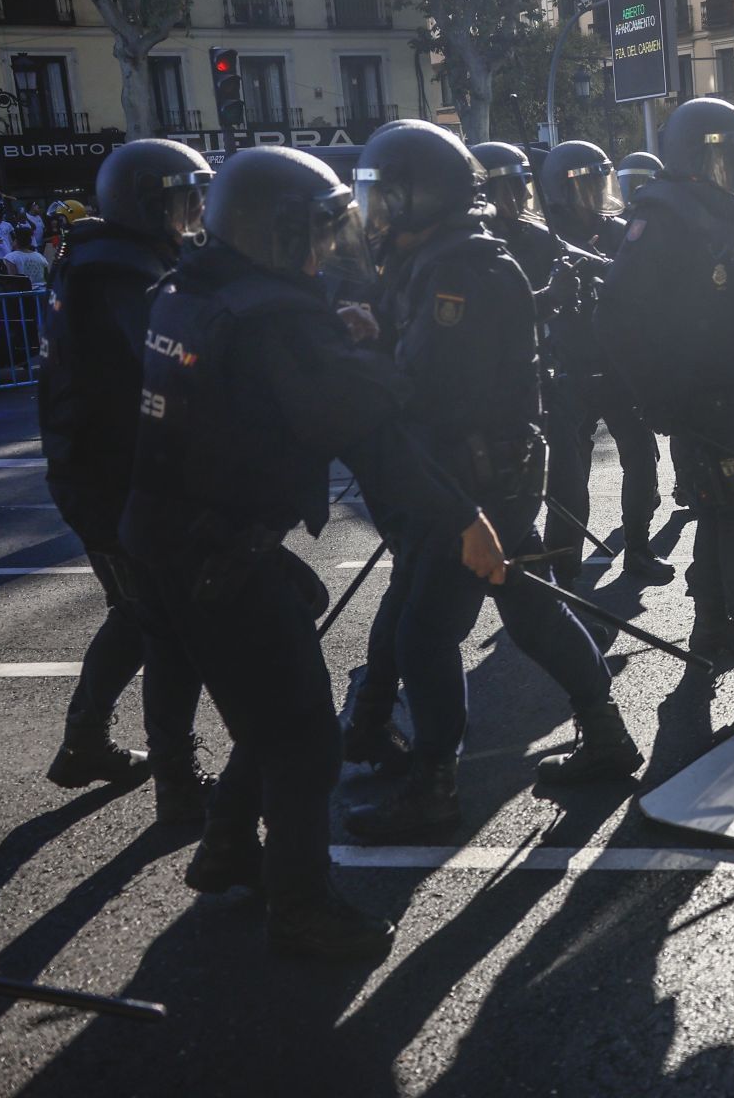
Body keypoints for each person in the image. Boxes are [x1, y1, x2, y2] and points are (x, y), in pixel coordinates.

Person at [119, 145, 509, 961]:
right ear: (277, 230)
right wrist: (465, 518)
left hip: (160, 541)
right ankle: (300, 907)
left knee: (272, 712)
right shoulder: (276, 318)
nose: (330, 247)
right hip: (217, 555)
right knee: (304, 738)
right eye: (318, 231)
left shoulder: (195, 285)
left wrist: (333, 336)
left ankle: (229, 849)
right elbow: (373, 437)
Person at [339, 121, 650, 843]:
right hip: (485, 473)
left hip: (471, 481)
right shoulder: (442, 260)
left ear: (418, 198)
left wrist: (365, 359)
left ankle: (434, 789)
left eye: (382, 198)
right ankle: (607, 736)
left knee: (424, 636)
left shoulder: (460, 272)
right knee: (531, 610)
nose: (374, 215)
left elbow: (428, 389)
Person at [599, 98, 734, 695]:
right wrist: (656, 399)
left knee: (722, 512)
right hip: (695, 399)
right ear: (703, 155)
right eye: (730, 151)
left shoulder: (733, 214)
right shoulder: (662, 217)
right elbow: (616, 316)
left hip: (733, 390)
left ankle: (710, 629)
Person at [37, 139, 217, 824]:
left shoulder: (107, 256)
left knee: (138, 614)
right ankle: (176, 780)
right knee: (169, 624)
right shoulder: (120, 270)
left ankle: (84, 743)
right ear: (147, 202)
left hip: (97, 470)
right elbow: (174, 358)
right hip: (109, 478)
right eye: (184, 196)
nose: (197, 207)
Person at [534, 140, 671, 585]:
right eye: (586, 185)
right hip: (569, 369)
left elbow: (642, 283)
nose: (596, 193)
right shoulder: (540, 237)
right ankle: (565, 569)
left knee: (642, 457)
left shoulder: (616, 230)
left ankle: (638, 548)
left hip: (616, 363)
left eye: (600, 181)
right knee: (570, 480)